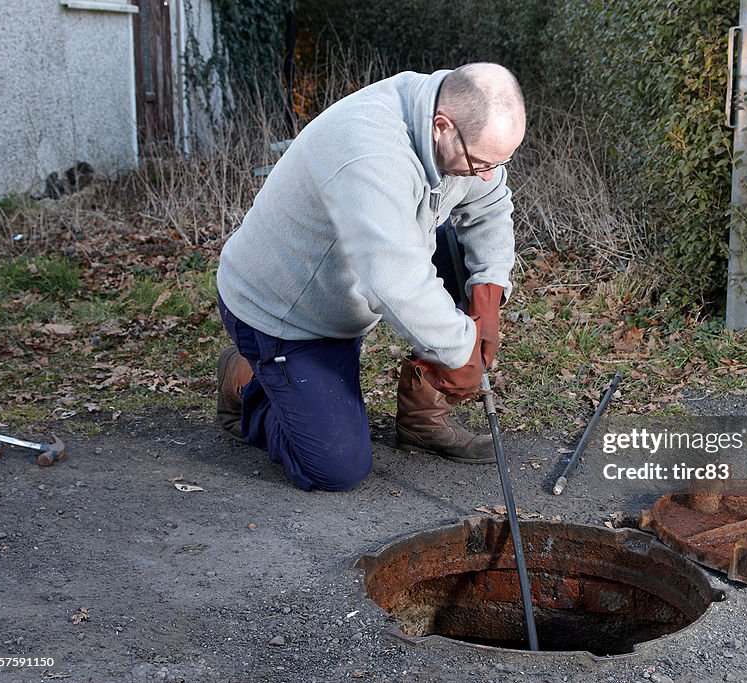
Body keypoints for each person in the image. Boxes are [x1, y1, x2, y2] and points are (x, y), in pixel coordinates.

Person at [214, 62, 526, 492]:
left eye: (501, 162)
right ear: (441, 127)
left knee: (458, 257)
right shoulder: (371, 151)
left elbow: (490, 204)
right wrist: (461, 352)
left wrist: (487, 298)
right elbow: (392, 279)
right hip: (285, 312)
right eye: (482, 163)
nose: (489, 174)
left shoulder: (459, 130)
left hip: (348, 282)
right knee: (337, 468)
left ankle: (421, 421)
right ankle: (247, 383)